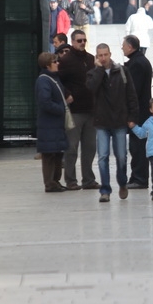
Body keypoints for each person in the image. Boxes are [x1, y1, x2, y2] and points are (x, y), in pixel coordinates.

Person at [87, 43, 139, 202]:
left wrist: (132, 117)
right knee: (102, 156)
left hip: (119, 120)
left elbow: (131, 94)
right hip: (102, 121)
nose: (103, 58)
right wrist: (99, 70)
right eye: (100, 55)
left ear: (110, 54)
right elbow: (91, 89)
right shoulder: (93, 73)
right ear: (97, 57)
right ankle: (105, 190)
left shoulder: (122, 71)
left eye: (105, 55)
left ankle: (122, 182)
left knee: (121, 156)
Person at [57, 29, 99, 191]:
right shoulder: (66, 60)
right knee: (72, 147)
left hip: (90, 110)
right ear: (73, 42)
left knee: (90, 147)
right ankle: (71, 180)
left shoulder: (90, 59)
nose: (82, 43)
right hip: (74, 111)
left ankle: (88, 179)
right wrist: (67, 94)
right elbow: (58, 80)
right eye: (79, 40)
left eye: (84, 40)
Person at [35, 52, 70, 193]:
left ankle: (55, 181)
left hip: (55, 125)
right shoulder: (44, 80)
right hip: (49, 125)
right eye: (55, 62)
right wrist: (61, 108)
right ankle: (50, 183)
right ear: (47, 65)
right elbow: (45, 102)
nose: (57, 64)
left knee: (57, 153)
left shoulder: (54, 78)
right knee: (49, 155)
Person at [123, 34, 153, 190]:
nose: (122, 48)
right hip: (140, 111)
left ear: (130, 47)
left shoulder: (137, 64)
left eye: (123, 45)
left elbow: (133, 91)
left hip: (138, 113)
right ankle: (137, 177)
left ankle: (139, 178)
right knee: (136, 146)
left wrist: (131, 114)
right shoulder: (139, 61)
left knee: (137, 147)